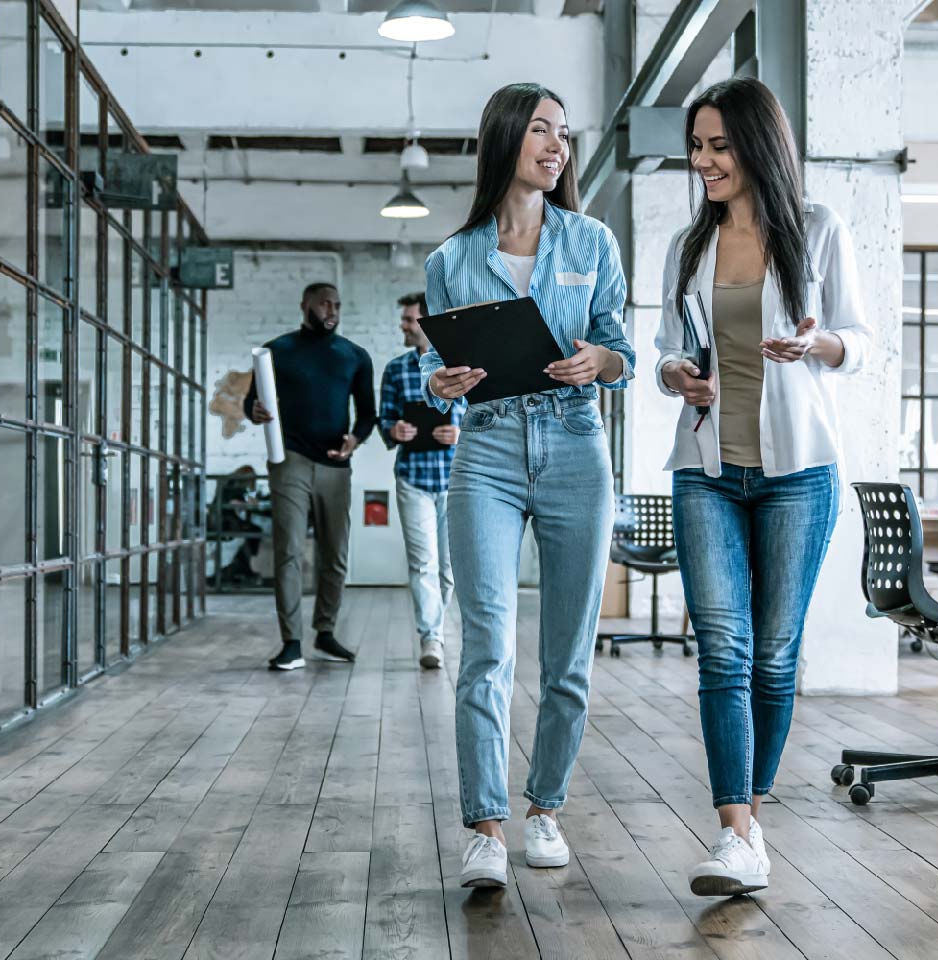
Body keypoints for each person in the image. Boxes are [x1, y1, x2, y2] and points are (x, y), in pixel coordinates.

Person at [654, 77, 871, 897]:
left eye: (719, 146)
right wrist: (679, 374)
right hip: (707, 470)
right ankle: (735, 829)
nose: (705, 162)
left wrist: (819, 348)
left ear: (757, 146)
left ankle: (753, 803)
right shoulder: (689, 244)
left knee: (775, 657)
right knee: (724, 649)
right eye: (697, 148)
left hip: (797, 475)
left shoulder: (817, 231)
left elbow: (863, 339)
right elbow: (668, 349)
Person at [420, 82, 635, 889]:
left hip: (577, 445)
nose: (557, 146)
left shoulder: (592, 243)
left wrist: (601, 361)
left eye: (564, 134)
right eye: (542, 130)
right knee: (486, 650)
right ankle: (484, 826)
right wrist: (441, 383)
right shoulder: (451, 258)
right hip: (489, 451)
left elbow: (621, 350)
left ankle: (546, 809)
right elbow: (441, 368)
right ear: (507, 138)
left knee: (568, 654)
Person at [246, 282, 375, 671]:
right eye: (323, 303)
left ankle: (325, 631)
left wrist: (355, 440)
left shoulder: (355, 356)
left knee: (335, 554)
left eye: (336, 304)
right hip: (291, 461)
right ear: (305, 305)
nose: (331, 310)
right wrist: (255, 411)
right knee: (288, 551)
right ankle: (291, 642)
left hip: (336, 465)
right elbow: (250, 403)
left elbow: (368, 414)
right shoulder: (276, 351)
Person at [378, 291, 463, 670]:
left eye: (409, 320)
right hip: (413, 478)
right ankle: (431, 637)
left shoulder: (463, 365)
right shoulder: (396, 370)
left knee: (448, 569)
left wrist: (460, 433)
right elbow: (384, 420)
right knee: (423, 562)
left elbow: (484, 415)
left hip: (456, 479)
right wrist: (394, 430)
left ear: (427, 323)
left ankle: (437, 629)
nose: (404, 326)